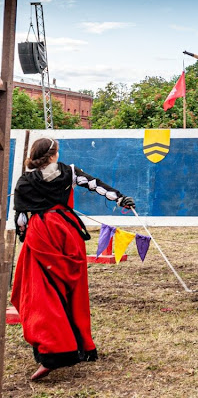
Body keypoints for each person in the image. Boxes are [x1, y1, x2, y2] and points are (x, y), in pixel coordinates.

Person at [11, 137, 135, 381]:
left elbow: (21, 219)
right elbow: (96, 185)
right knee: (72, 290)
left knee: (42, 294)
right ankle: (77, 345)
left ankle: (54, 351)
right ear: (54, 154)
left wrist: (25, 239)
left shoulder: (25, 181)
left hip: (41, 235)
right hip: (66, 234)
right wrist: (121, 199)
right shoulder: (68, 172)